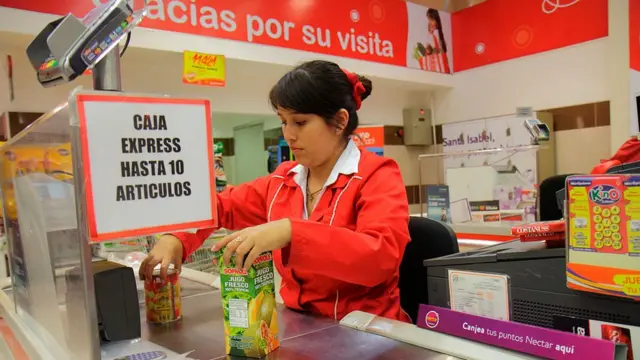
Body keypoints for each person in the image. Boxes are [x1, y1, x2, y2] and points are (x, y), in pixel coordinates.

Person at [139, 60, 411, 322]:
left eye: (300, 122)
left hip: (369, 333)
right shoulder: (283, 181)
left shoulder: (377, 174)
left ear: (340, 121)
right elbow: (221, 207)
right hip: (304, 328)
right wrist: (176, 238)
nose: (288, 135)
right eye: (283, 121)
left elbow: (380, 257)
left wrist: (290, 231)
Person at [424, 9, 450, 74]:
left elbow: (439, 50)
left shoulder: (436, 34)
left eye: (432, 20)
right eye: (429, 20)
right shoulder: (434, 34)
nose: (429, 22)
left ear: (437, 22)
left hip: (437, 69)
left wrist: (430, 50)